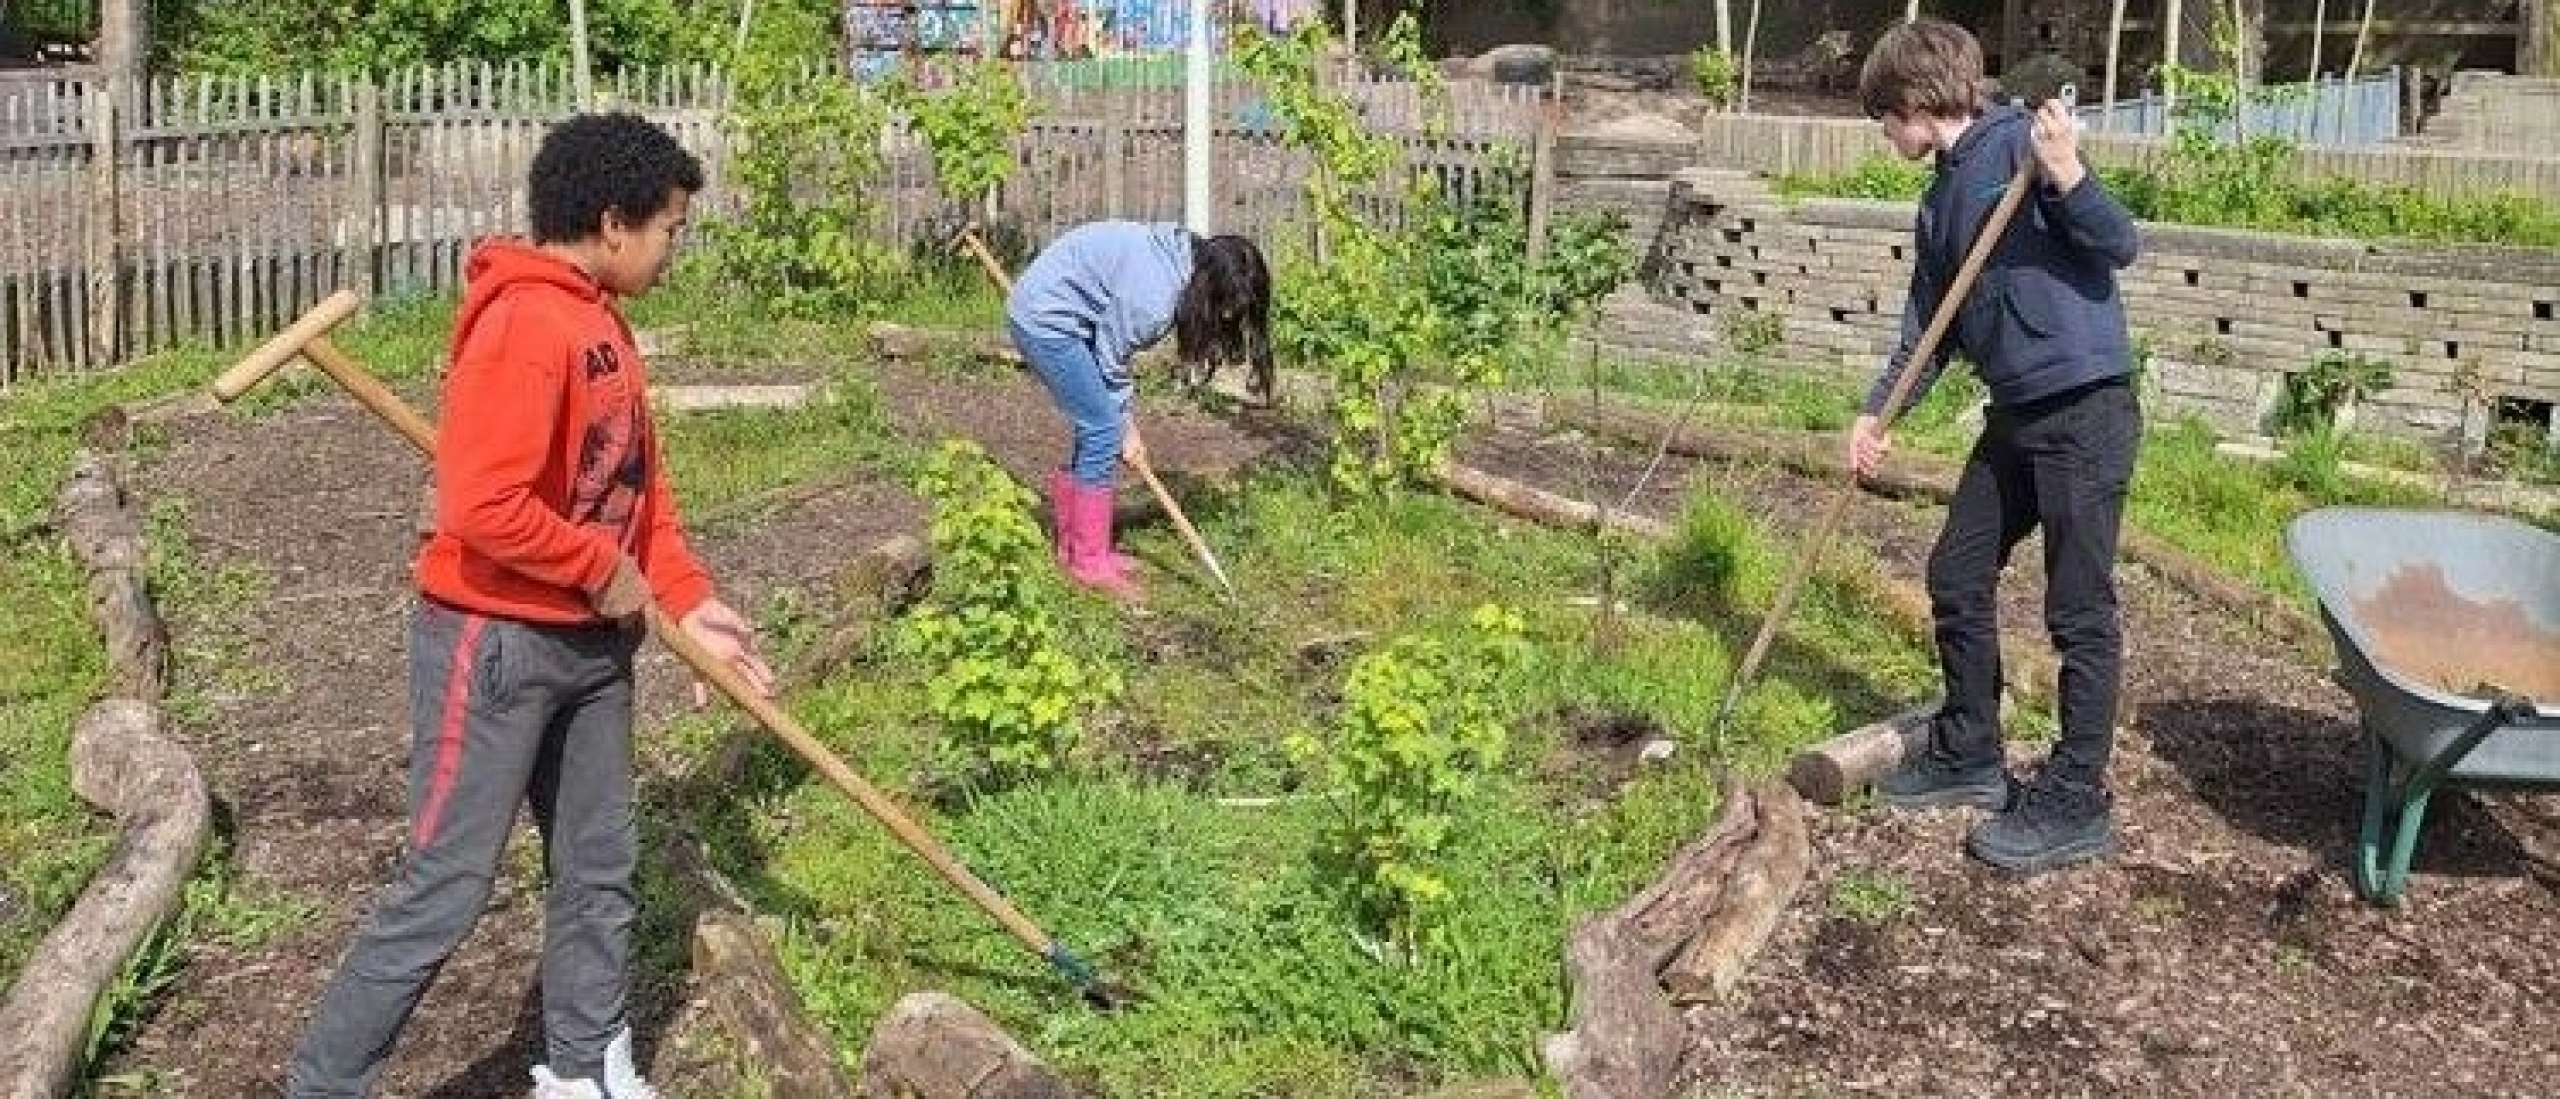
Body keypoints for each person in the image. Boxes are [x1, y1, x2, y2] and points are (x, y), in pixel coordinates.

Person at [285, 112, 776, 1099]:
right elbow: (483, 507)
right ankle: (324, 1083)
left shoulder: (601, 324)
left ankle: (585, 1069)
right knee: (445, 885)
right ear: (610, 221)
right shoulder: (521, 325)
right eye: (671, 228)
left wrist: (692, 598)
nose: (675, 247)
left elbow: (637, 495)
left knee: (599, 864)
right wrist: (598, 572)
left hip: (593, 650)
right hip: (495, 644)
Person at [1848, 19, 2143, 875]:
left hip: (2086, 409)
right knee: (1956, 569)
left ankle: (2076, 794)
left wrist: (2070, 176)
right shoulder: (1940, 200)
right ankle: (1972, 747)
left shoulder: (2024, 144)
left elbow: (2119, 244)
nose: (1885, 137)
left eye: (1883, 122)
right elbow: (1926, 333)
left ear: (1911, 106)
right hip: (2016, 415)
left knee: (2078, 607)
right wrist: (1877, 414)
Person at [1006, 220, 1272, 601]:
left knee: (1097, 423)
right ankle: (1089, 561)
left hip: (1066, 312)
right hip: (1046, 321)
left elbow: (1108, 352)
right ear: (1208, 288)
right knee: (1101, 427)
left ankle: (1074, 546)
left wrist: (1123, 422)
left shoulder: (1184, 256)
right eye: (1225, 307)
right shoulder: (1153, 300)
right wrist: (1126, 430)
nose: (1228, 318)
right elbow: (1110, 362)